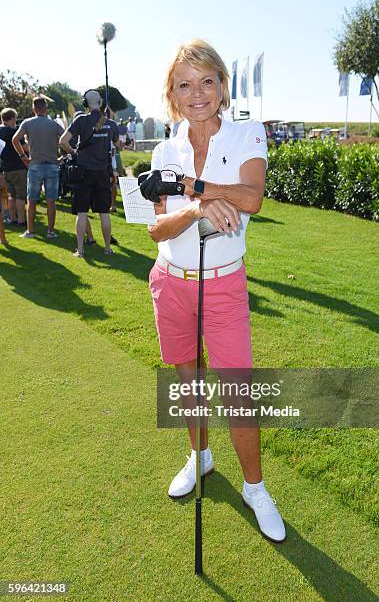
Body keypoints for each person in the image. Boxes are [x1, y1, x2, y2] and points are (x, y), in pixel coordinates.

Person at [143, 39, 286, 543]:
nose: (197, 93)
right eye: (185, 84)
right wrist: (198, 209)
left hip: (224, 285)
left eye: (207, 81)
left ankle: (255, 487)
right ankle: (200, 456)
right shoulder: (163, 149)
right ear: (173, 95)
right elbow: (157, 230)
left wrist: (196, 187)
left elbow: (253, 198)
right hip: (171, 281)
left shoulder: (247, 133)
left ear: (223, 87)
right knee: (189, 383)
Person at [59, 89, 119, 257]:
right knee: (104, 213)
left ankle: (80, 250)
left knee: (82, 212)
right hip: (102, 173)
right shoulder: (110, 123)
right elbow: (119, 144)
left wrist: (72, 151)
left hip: (83, 172)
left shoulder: (80, 120)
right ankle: (108, 248)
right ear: (100, 103)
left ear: (85, 103)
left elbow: (62, 141)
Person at [12, 97, 63, 239]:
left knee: (32, 200)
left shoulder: (27, 123)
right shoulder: (53, 124)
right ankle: (51, 232)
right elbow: (67, 139)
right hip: (52, 165)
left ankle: (30, 231)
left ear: (33, 109)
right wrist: (62, 155)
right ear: (46, 109)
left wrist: (23, 157)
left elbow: (15, 140)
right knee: (51, 201)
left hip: (34, 165)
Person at [0, 108, 28, 227]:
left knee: (11, 195)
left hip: (5, 167)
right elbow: (25, 147)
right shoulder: (15, 132)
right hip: (18, 166)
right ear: (11, 118)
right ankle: (21, 220)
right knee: (20, 195)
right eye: (15, 118)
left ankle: (12, 218)